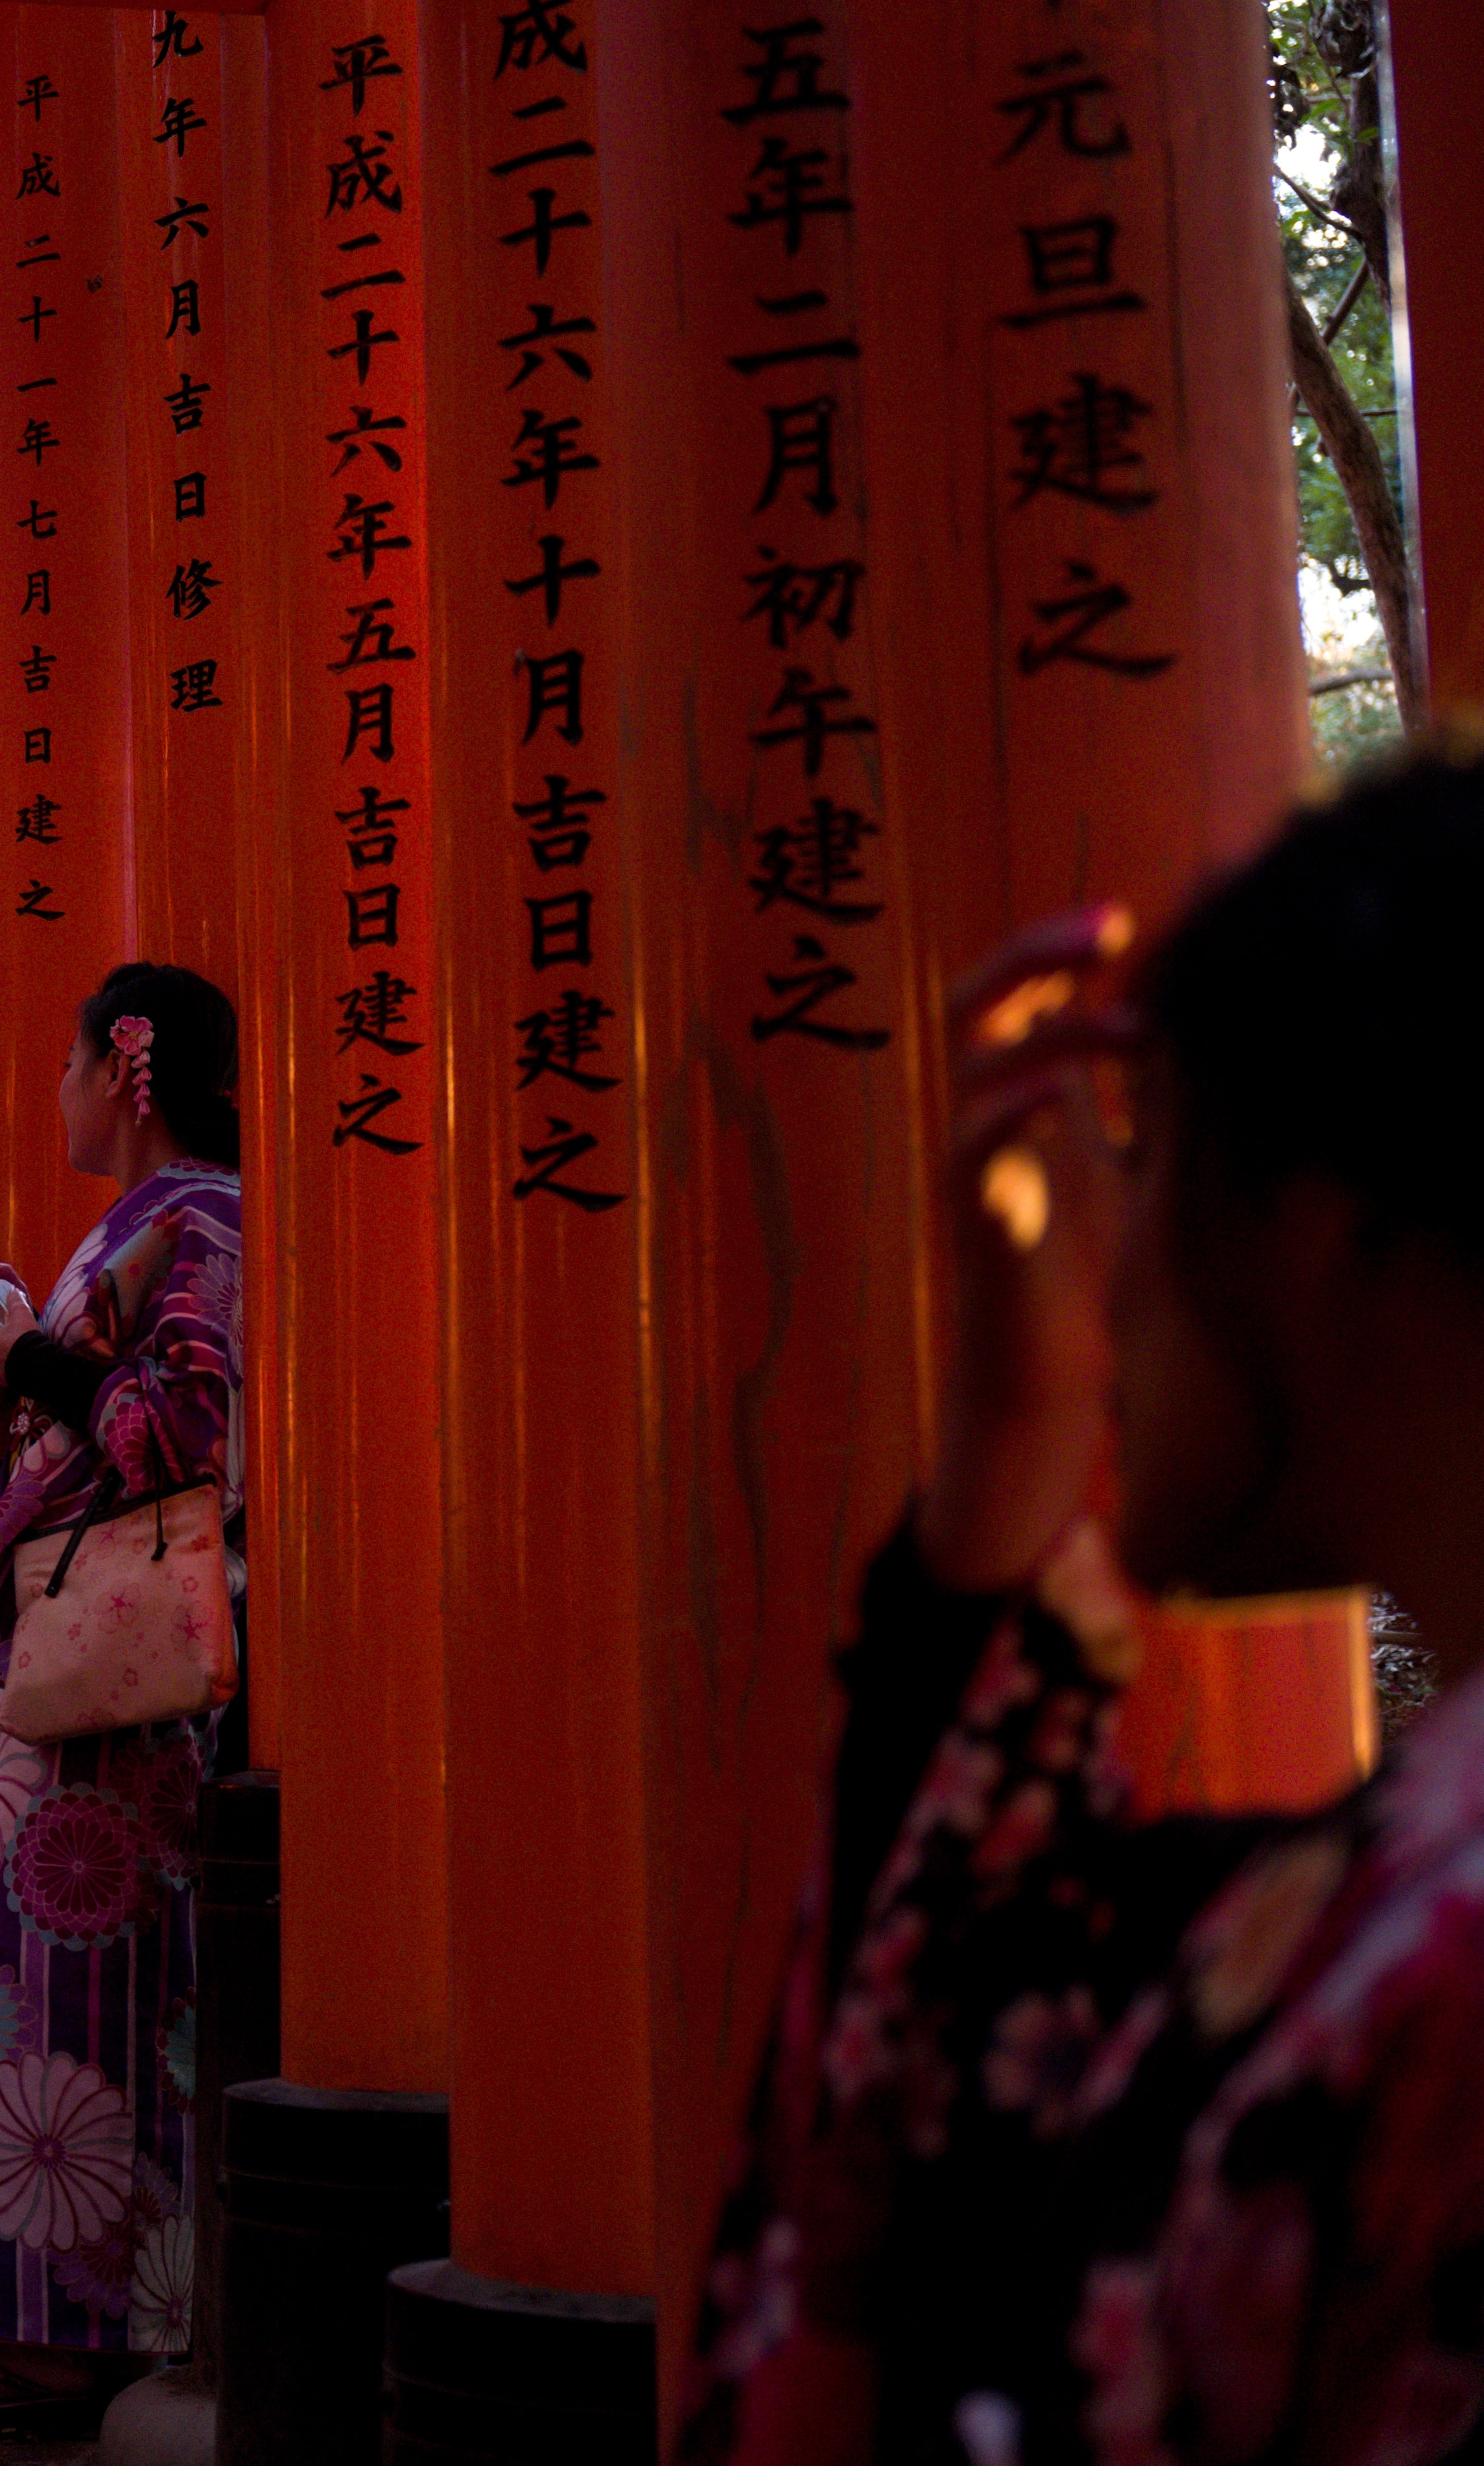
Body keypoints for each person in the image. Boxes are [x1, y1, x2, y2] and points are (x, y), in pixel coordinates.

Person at [683, 757, 1484, 2466]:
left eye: (1157, 1156)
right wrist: (1013, 1443)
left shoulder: (1442, 1990)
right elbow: (949, 2041)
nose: (1111, 1265)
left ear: (1324, 1227)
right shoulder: (1393, 1901)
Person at [0, 962, 244, 2434]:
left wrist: (27, 1352)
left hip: (117, 1674)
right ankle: (48, 2320)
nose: (60, 1089)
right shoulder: (176, 1217)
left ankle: (53, 2333)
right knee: (52, 1984)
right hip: (89, 1650)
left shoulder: (196, 1220)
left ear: (127, 1067)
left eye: (72, 1058)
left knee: (66, 1993)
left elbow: (182, 1429)